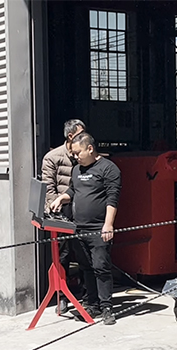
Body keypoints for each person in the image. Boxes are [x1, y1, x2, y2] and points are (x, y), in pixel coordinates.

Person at [49, 132, 121, 325]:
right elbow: (73, 190)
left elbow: (112, 198)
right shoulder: (76, 170)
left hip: (99, 228)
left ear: (90, 148)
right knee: (86, 267)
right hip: (79, 228)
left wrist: (108, 224)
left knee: (101, 267)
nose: (75, 156)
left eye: (78, 152)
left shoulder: (108, 169)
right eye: (72, 153)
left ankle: (107, 307)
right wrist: (60, 198)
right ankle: (92, 304)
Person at [41, 119, 86, 313]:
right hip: (63, 211)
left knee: (86, 252)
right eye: (80, 133)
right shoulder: (53, 158)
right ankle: (62, 296)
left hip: (83, 210)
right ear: (70, 136)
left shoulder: (86, 155)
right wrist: (55, 210)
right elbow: (49, 188)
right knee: (63, 254)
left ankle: (87, 293)